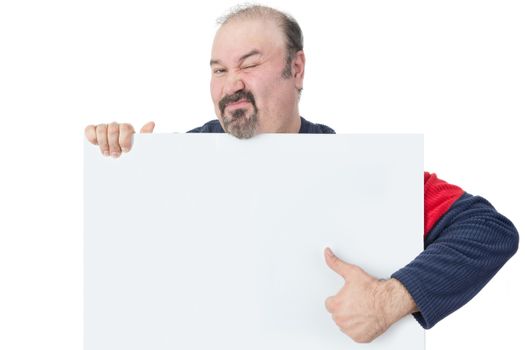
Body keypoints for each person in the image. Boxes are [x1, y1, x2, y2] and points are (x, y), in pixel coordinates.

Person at [84, 5, 519, 344]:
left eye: (249, 64)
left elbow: (487, 230)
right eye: (218, 69)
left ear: (296, 69)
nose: (230, 83)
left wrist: (393, 298)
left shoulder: (360, 169)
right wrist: (126, 168)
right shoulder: (176, 164)